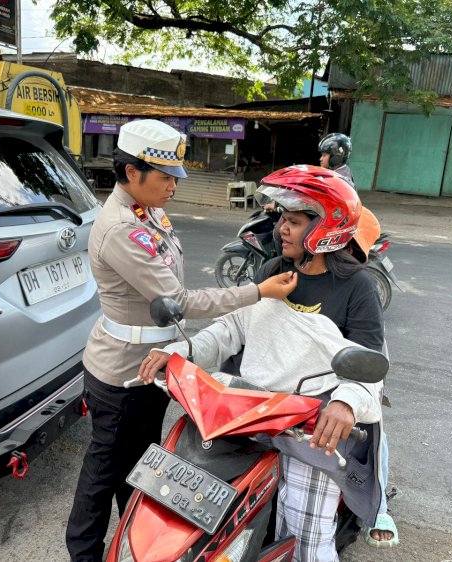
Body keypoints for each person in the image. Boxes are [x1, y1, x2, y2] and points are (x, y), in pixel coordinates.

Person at [65, 119, 298, 562]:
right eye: (165, 176)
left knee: (137, 465)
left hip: (150, 367)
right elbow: (179, 298)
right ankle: (83, 553)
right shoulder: (120, 229)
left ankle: (133, 544)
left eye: (175, 176)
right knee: (103, 470)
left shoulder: (146, 211)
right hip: (121, 376)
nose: (173, 185)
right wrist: (257, 292)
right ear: (132, 173)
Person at [143, 165, 385, 562]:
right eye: (282, 221)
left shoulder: (357, 287)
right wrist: (179, 352)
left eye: (293, 222)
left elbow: (370, 360)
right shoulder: (274, 271)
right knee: (202, 503)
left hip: (312, 425)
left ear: (324, 228)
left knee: (308, 536)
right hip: (251, 412)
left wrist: (345, 403)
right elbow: (231, 329)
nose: (281, 230)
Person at [318, 138, 399, 549]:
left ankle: (378, 502)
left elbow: (367, 346)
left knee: (372, 422)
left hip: (356, 359)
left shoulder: (358, 281)